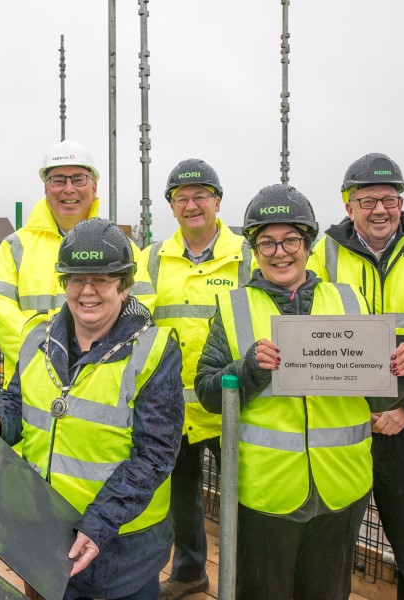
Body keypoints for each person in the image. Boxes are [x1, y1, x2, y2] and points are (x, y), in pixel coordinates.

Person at [195, 184, 404, 600]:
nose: (280, 252)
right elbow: (209, 391)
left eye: (291, 241)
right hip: (267, 492)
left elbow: (380, 398)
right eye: (267, 243)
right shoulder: (233, 307)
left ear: (308, 244)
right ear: (255, 250)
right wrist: (247, 370)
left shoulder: (350, 301)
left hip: (341, 488)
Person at [0, 218, 184, 600]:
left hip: (124, 550)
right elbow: (17, 400)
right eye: (76, 279)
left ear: (124, 287)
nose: (87, 291)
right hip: (46, 532)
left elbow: (156, 454)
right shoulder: (37, 339)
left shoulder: (153, 352)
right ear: (64, 284)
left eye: (102, 280)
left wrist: (100, 522)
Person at [308, 153, 404, 600]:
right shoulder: (325, 251)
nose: (381, 209)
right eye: (368, 200)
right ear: (349, 205)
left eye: (390, 198)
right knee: (333, 545)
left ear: (401, 202)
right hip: (344, 423)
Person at [131, 159, 248, 599]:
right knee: (182, 500)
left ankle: (243, 578)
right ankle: (189, 573)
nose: (192, 205)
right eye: (182, 198)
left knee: (245, 497)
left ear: (217, 201)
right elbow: (138, 317)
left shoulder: (246, 256)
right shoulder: (154, 258)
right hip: (174, 408)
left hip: (232, 402)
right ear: (171, 207)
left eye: (201, 195)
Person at [0, 140, 102, 390]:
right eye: (58, 180)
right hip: (29, 384)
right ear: (46, 189)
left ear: (94, 187)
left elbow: (139, 309)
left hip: (100, 383)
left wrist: (94, 358)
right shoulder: (16, 246)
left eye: (78, 179)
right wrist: (47, 357)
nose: (68, 189)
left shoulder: (120, 247)